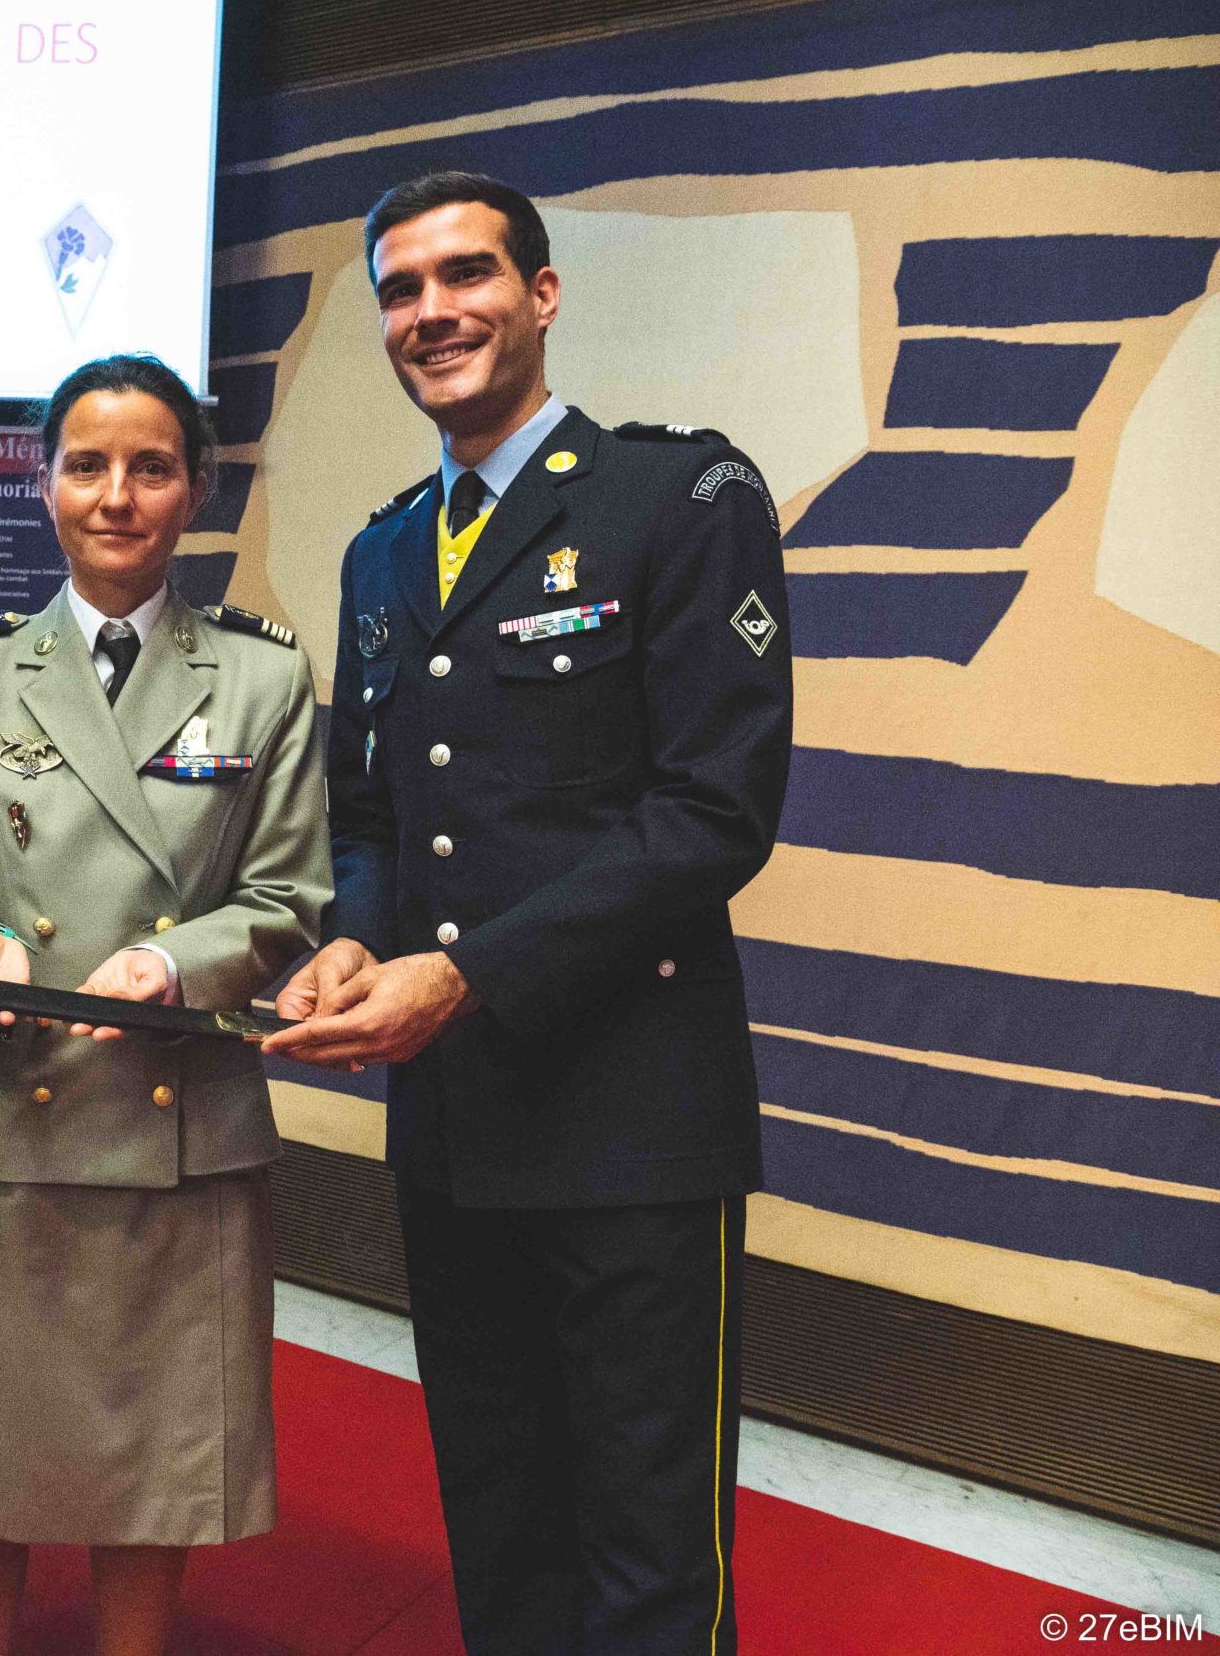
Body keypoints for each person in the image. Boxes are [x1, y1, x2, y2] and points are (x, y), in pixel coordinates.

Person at [263, 170, 795, 1654]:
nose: (432, 312)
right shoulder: (381, 552)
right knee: (499, 1517)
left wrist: (468, 973)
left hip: (630, 1117)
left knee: (646, 1543)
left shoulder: (679, 500)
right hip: (456, 1128)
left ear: (541, 294)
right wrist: (360, 938)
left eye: (465, 276)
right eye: (401, 289)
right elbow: (371, 814)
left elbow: (713, 811)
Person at [0, 354, 330, 1656]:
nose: (117, 495)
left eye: (151, 466)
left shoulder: (262, 677)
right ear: (45, 481)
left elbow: (292, 896)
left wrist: (176, 966)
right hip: (13, 1116)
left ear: (197, 488)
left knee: (151, 1475)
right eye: (87, 464)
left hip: (178, 1131)